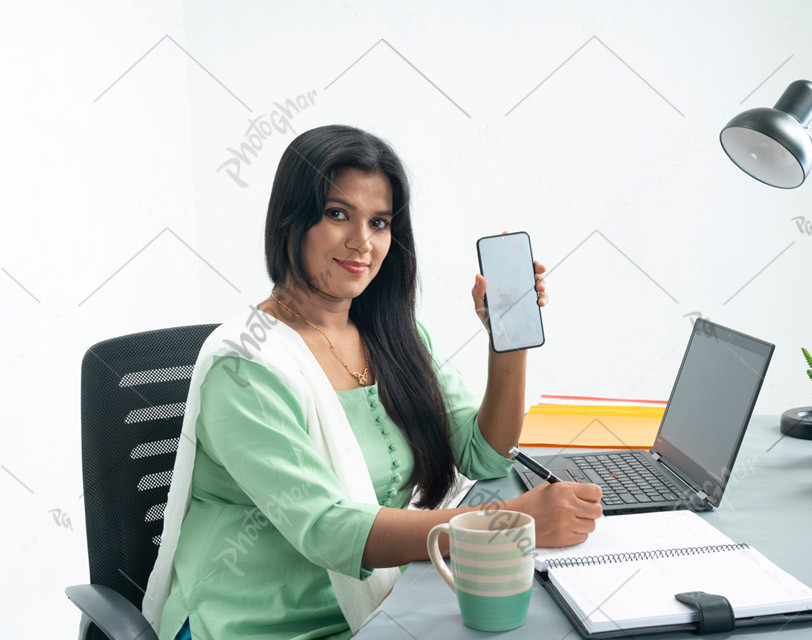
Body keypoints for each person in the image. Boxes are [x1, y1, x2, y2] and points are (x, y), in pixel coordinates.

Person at [143, 124, 603, 640]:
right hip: (251, 622)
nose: (362, 242)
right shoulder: (245, 368)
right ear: (290, 221)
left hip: (383, 605)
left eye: (379, 222)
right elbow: (327, 528)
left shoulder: (396, 337)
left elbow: (484, 455)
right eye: (338, 214)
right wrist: (505, 523)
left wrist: (508, 341)